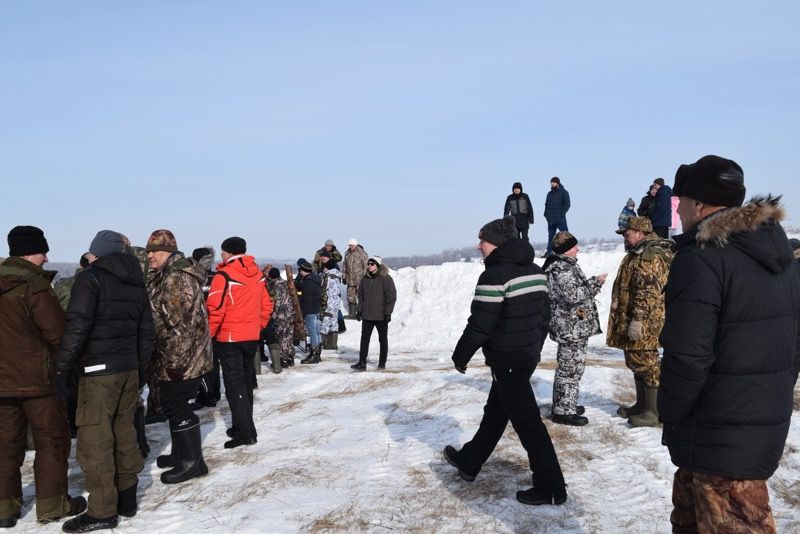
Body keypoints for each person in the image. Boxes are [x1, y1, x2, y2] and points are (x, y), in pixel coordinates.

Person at [659, 155, 800, 532]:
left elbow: (687, 357)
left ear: (699, 204)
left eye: (680, 201)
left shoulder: (701, 258)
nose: (678, 210)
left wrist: (669, 411)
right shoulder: (780, 256)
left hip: (716, 433)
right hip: (754, 425)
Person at [443, 216, 567, 506]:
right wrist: (533, 349)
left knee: (529, 425)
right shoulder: (536, 271)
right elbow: (544, 318)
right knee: (496, 413)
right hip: (524, 358)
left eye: (482, 240)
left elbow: (480, 324)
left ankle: (551, 487)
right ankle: (469, 462)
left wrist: (461, 356)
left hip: (508, 361)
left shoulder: (494, 275)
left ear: (496, 244)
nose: (478, 246)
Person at [56, 230, 154, 532]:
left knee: (95, 440)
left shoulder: (91, 278)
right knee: (124, 432)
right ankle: (127, 499)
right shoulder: (135, 281)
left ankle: (101, 511)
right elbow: (146, 332)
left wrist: (62, 368)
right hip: (128, 369)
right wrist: (139, 369)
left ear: (97, 253)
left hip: (98, 371)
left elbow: (78, 326)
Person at [0, 226, 86, 528]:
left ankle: (4, 509)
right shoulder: (34, 285)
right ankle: (53, 505)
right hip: (39, 381)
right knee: (52, 441)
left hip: (2, 383)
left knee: (5, 444)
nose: (47, 258)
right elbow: (58, 333)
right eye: (43, 251)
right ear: (30, 251)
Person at [146, 229, 212, 483]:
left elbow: (180, 326)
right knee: (173, 405)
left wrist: (175, 363)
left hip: (183, 357)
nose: (150, 255)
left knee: (177, 405)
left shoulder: (175, 278)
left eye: (155, 251)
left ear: (169, 252)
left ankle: (192, 462)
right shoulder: (168, 274)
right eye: (149, 250)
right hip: (183, 353)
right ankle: (179, 454)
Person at [606, 216, 673, 427]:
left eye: (627, 234)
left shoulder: (650, 255)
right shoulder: (637, 253)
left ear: (639, 233)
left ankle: (654, 412)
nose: (624, 238)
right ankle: (642, 405)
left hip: (645, 321)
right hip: (633, 318)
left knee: (647, 363)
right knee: (635, 360)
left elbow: (648, 291)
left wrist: (638, 319)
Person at [207, 237, 272, 449]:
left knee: (235, 386)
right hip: (251, 336)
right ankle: (240, 425)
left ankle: (246, 432)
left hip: (230, 337)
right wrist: (258, 326)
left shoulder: (223, 275)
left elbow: (215, 309)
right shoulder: (257, 273)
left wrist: (210, 334)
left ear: (227, 252)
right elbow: (266, 305)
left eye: (222, 251)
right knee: (245, 383)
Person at [543, 232, 606, 426]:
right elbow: (573, 296)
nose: (577, 249)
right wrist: (595, 282)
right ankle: (563, 412)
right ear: (565, 249)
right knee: (569, 369)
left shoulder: (566, 265)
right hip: (569, 329)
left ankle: (566, 404)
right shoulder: (561, 269)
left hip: (574, 328)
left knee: (574, 368)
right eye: (574, 246)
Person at [350, 256, 396, 371]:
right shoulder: (365, 279)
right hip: (367, 315)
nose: (369, 266)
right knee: (364, 339)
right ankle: (362, 362)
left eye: (372, 264)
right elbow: (360, 296)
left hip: (381, 315)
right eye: (369, 264)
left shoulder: (386, 278)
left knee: (382, 339)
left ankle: (382, 362)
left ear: (378, 265)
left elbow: (391, 297)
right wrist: (359, 310)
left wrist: (387, 312)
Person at [191, 247, 221, 410]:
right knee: (212, 362)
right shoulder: (217, 278)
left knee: (202, 364)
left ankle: (207, 395)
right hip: (213, 325)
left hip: (201, 326)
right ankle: (213, 394)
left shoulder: (194, 278)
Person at [264, 267, 296, 368]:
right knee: (289, 336)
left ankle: (283, 359)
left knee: (282, 337)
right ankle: (291, 357)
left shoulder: (276, 286)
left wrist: (273, 315)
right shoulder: (287, 283)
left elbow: (277, 302)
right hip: (290, 313)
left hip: (281, 315)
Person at [297, 259, 323, 364]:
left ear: (304, 270)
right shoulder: (316, 279)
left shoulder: (307, 283)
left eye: (300, 270)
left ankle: (314, 355)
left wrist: (303, 313)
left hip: (310, 311)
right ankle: (318, 354)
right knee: (316, 333)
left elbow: (306, 299)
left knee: (312, 333)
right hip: (316, 309)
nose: (299, 272)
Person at [319, 254, 343, 351]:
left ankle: (321, 343)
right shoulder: (336, 275)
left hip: (329, 302)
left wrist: (326, 303)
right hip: (335, 302)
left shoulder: (329, 277)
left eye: (324, 267)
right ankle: (333, 344)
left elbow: (327, 290)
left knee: (325, 322)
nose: (323, 269)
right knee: (333, 322)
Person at [543, 177, 571, 256]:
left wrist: (562, 213)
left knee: (564, 235)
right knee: (551, 236)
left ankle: (567, 251)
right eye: (551, 182)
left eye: (553, 182)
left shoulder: (564, 192)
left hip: (560, 218)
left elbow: (567, 204)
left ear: (558, 183)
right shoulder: (549, 194)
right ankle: (549, 252)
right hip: (551, 219)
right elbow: (546, 205)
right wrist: (545, 214)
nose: (552, 184)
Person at [342, 238, 368, 318]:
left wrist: (365, 277)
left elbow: (366, 266)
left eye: (352, 245)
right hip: (350, 280)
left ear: (355, 245)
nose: (350, 246)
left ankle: (362, 313)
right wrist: (344, 276)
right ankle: (352, 314)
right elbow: (344, 266)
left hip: (359, 279)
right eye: (349, 245)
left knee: (361, 296)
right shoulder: (347, 254)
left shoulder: (362, 253)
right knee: (350, 297)